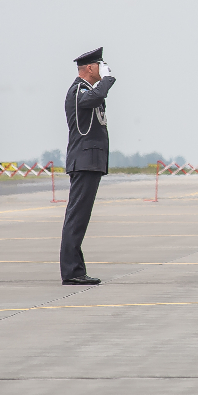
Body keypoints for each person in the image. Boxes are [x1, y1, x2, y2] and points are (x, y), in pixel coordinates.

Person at [59, 47, 116, 285]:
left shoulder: (88, 91)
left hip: (89, 162)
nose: (102, 71)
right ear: (91, 68)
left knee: (80, 219)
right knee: (76, 218)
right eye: (100, 67)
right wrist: (109, 79)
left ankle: (76, 269)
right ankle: (72, 271)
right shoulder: (79, 90)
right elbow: (92, 99)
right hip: (83, 162)